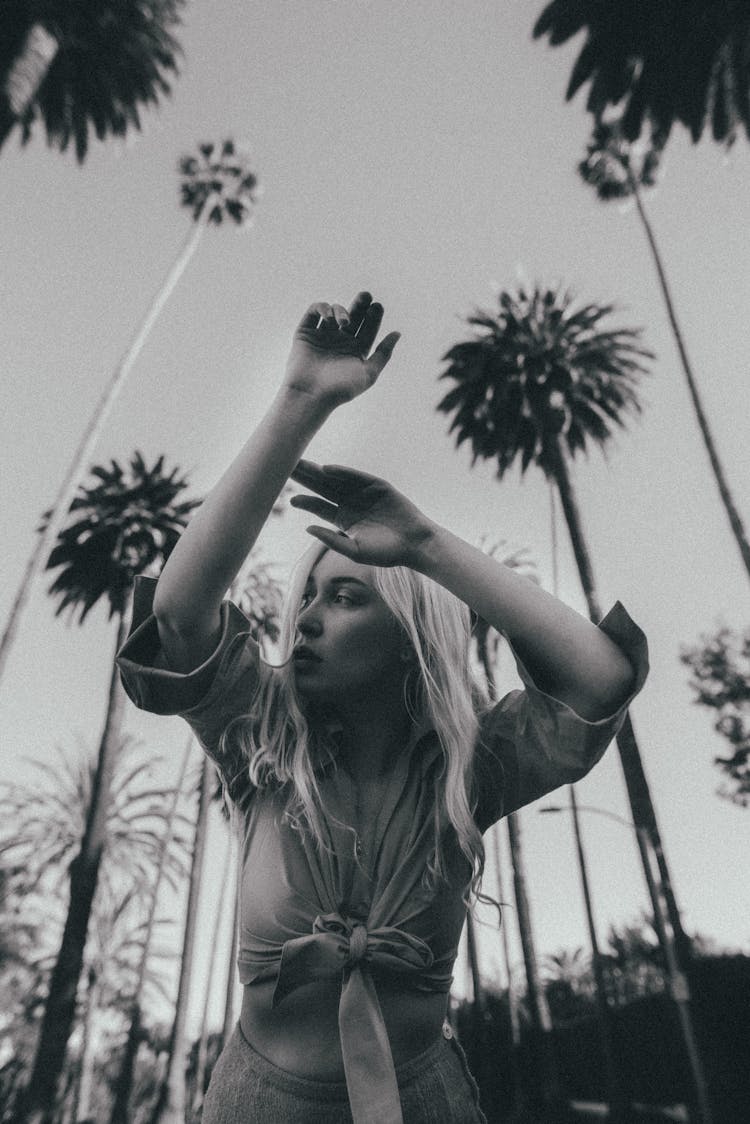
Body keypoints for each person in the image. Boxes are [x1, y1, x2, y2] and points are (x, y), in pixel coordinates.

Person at [117, 292, 648, 1124]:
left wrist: (427, 547)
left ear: (410, 632)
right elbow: (179, 617)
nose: (308, 620)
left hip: (426, 1101)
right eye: (307, 602)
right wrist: (302, 402)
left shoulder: (472, 768)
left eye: (346, 598)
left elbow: (600, 682)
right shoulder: (260, 737)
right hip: (255, 1103)